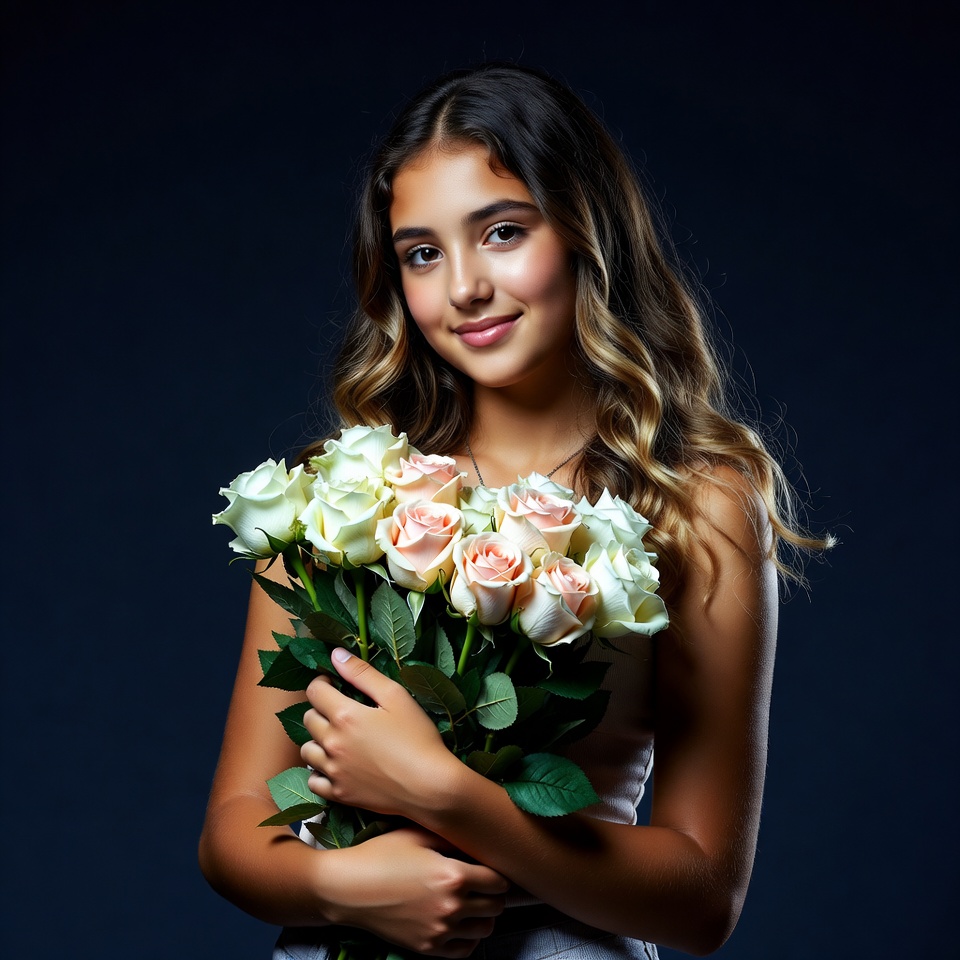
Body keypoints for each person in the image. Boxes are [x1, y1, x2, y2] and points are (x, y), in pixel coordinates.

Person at [199, 62, 829, 958]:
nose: (463, 287)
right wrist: (339, 885)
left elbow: (704, 897)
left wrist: (448, 796)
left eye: (500, 232)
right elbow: (232, 826)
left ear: (583, 230)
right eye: (423, 252)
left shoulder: (697, 499)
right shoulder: (336, 499)